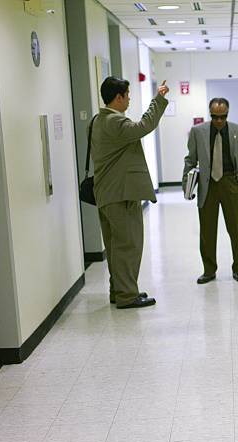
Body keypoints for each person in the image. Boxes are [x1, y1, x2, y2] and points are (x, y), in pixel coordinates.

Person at [92, 76, 169, 309]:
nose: (129, 100)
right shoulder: (115, 122)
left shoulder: (97, 120)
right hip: (121, 195)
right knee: (128, 245)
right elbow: (144, 127)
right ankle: (127, 295)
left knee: (116, 246)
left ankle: (120, 290)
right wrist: (159, 99)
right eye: (127, 95)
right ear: (118, 97)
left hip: (107, 194)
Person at [182, 97, 238, 284]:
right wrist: (186, 184)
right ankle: (209, 270)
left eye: (223, 117)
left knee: (235, 229)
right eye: (215, 117)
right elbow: (190, 159)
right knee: (207, 231)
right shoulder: (198, 132)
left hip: (230, 183)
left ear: (228, 114)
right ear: (210, 114)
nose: (219, 121)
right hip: (208, 185)